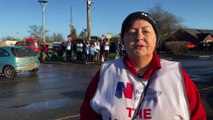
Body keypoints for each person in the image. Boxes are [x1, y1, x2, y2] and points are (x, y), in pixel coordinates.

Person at [80, 11, 206, 120]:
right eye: (132, 31)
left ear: (156, 39)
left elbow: (197, 116)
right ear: (123, 40)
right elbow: (88, 114)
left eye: (146, 31)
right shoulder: (106, 72)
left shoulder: (177, 75)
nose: (139, 37)